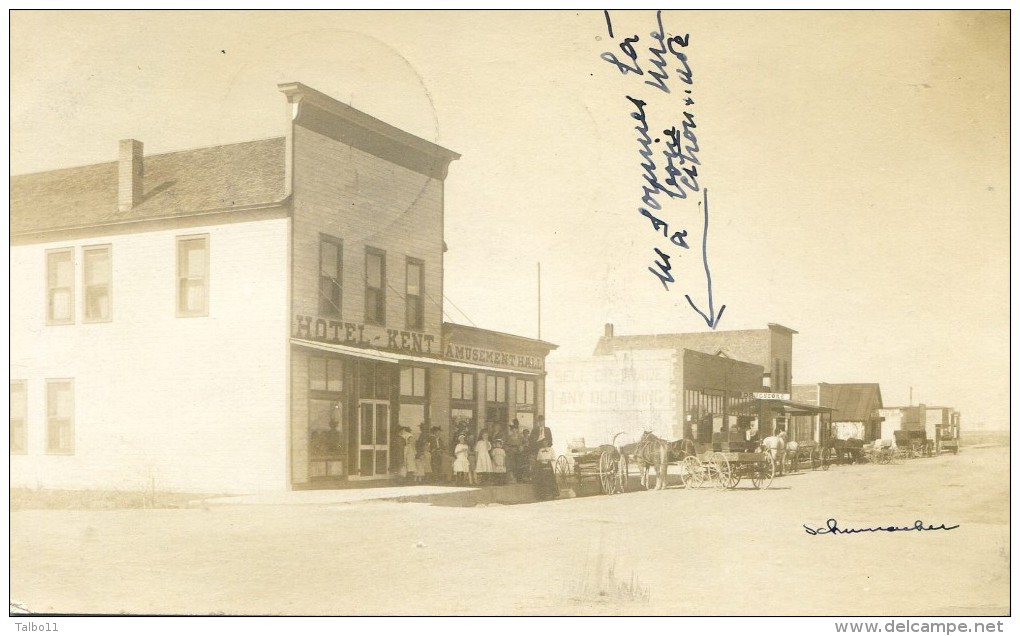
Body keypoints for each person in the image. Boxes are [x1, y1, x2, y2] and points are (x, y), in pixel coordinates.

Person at [531, 415, 558, 500]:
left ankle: (552, 493)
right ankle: (540, 494)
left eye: (542, 421)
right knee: (539, 474)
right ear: (537, 422)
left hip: (546, 452)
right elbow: (531, 441)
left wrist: (546, 447)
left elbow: (550, 441)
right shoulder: (534, 430)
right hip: (538, 452)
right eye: (539, 421)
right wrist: (538, 445)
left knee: (549, 474)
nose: (541, 423)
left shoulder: (547, 430)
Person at [506, 419, 523, 484]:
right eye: (513, 429)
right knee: (511, 464)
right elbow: (507, 446)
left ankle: (517, 477)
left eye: (515, 429)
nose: (514, 430)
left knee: (518, 464)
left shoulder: (520, 437)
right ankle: (512, 477)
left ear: (517, 429)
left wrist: (521, 448)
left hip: (518, 453)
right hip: (511, 453)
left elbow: (522, 445)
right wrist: (508, 448)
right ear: (511, 430)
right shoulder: (509, 437)